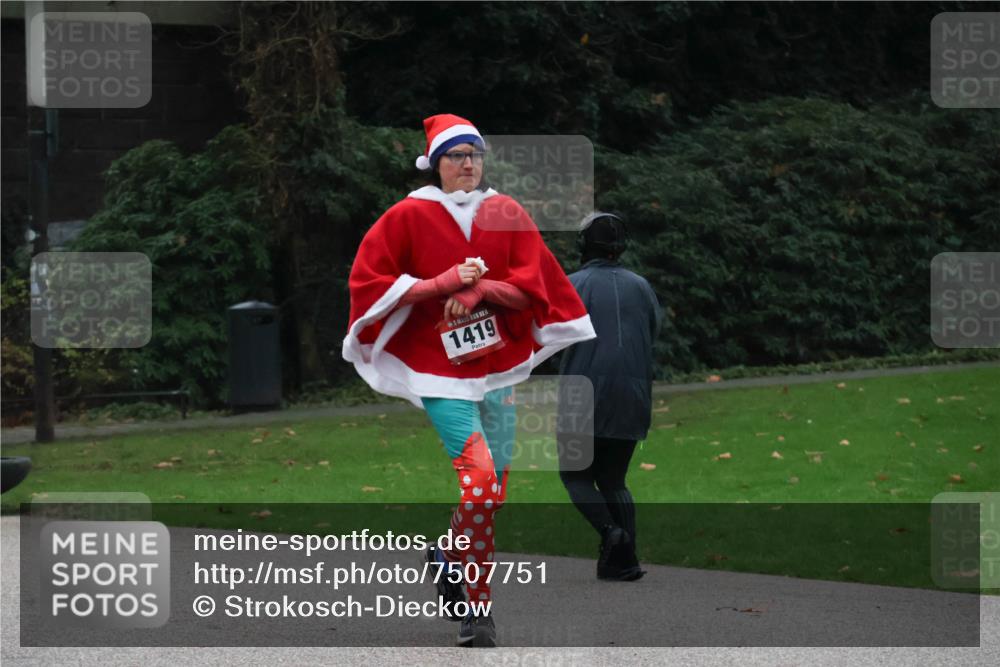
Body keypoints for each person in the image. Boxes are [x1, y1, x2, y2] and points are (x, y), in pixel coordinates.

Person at [342, 114, 595, 647]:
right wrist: (440, 283)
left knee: (494, 493)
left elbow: (534, 287)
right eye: (456, 156)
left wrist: (483, 291)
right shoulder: (407, 215)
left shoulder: (505, 212)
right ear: (435, 164)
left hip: (496, 371)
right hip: (440, 376)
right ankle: (479, 610)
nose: (467, 164)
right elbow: (369, 282)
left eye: (475, 155)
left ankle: (445, 555)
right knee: (478, 481)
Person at [556, 211, 661, 581]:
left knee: (575, 475)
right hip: (632, 393)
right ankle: (625, 558)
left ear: (584, 244)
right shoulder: (641, 286)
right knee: (614, 479)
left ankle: (610, 533)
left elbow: (551, 337)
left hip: (581, 391)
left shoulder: (570, 285)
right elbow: (652, 332)